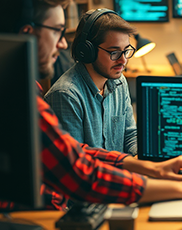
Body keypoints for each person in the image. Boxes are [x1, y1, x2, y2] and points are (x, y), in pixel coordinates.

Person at [0, 0, 182, 211]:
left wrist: (151, 168)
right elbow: (80, 175)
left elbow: (76, 153)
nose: (62, 44)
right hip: (30, 218)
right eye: (57, 31)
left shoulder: (23, 88)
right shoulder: (27, 98)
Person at [45, 9, 138, 155]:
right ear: (88, 51)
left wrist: (147, 161)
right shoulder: (66, 95)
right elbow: (78, 163)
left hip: (121, 174)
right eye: (114, 53)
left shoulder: (120, 82)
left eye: (126, 51)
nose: (123, 60)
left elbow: (130, 135)